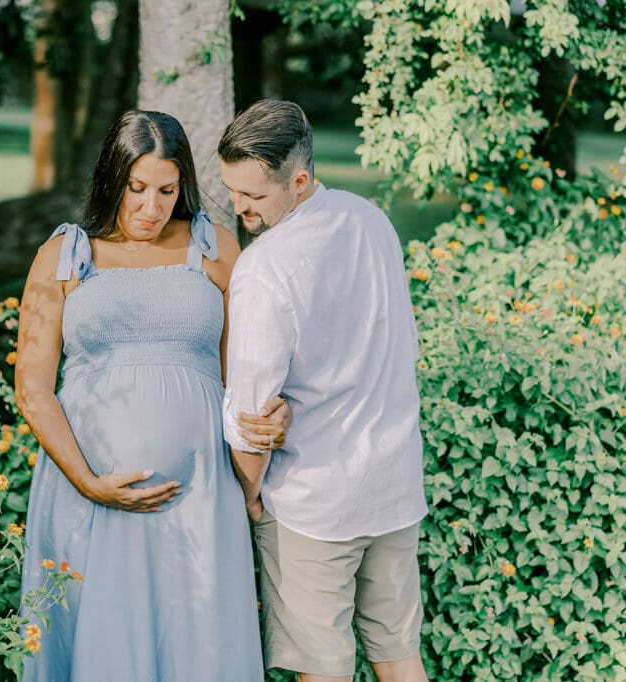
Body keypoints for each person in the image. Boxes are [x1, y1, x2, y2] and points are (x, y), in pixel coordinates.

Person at [14, 109, 288, 681]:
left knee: (198, 644)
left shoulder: (216, 249)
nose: (151, 207)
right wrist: (89, 481)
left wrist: (274, 411)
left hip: (200, 498)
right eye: (136, 189)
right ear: (111, 179)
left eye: (167, 190)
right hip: (86, 494)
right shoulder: (66, 255)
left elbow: (248, 373)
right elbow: (33, 387)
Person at [218, 99, 430, 682]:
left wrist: (252, 496)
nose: (239, 208)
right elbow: (402, 343)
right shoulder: (372, 220)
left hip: (312, 505)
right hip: (394, 488)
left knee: (323, 673)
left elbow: (249, 414)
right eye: (232, 190)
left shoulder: (264, 268)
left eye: (254, 196)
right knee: (400, 661)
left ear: (300, 181)